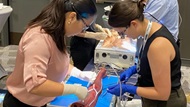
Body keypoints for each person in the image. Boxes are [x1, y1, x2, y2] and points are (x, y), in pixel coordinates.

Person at [3, 0, 97, 106]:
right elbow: (35, 84)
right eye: (85, 26)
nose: (83, 30)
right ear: (71, 17)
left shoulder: (58, 33)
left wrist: (79, 74)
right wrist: (74, 89)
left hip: (40, 101)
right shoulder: (39, 38)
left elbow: (55, 62)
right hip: (21, 103)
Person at [106, 0, 187, 107]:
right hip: (154, 99)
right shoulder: (150, 29)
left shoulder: (157, 45)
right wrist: (134, 69)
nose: (123, 36)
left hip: (166, 102)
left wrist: (128, 88)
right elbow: (153, 63)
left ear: (133, 24)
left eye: (122, 32)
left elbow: (162, 93)